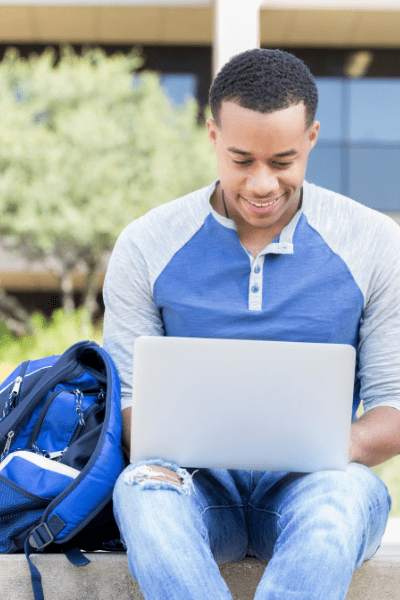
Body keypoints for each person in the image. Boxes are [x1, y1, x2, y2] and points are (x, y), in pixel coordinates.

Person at [102, 49, 400, 599]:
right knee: (141, 489)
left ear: (312, 137)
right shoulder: (147, 244)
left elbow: (394, 406)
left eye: (282, 161)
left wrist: (337, 444)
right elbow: (126, 401)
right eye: (241, 160)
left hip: (317, 488)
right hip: (193, 489)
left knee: (339, 501)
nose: (262, 185)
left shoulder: (374, 243)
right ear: (213, 135)